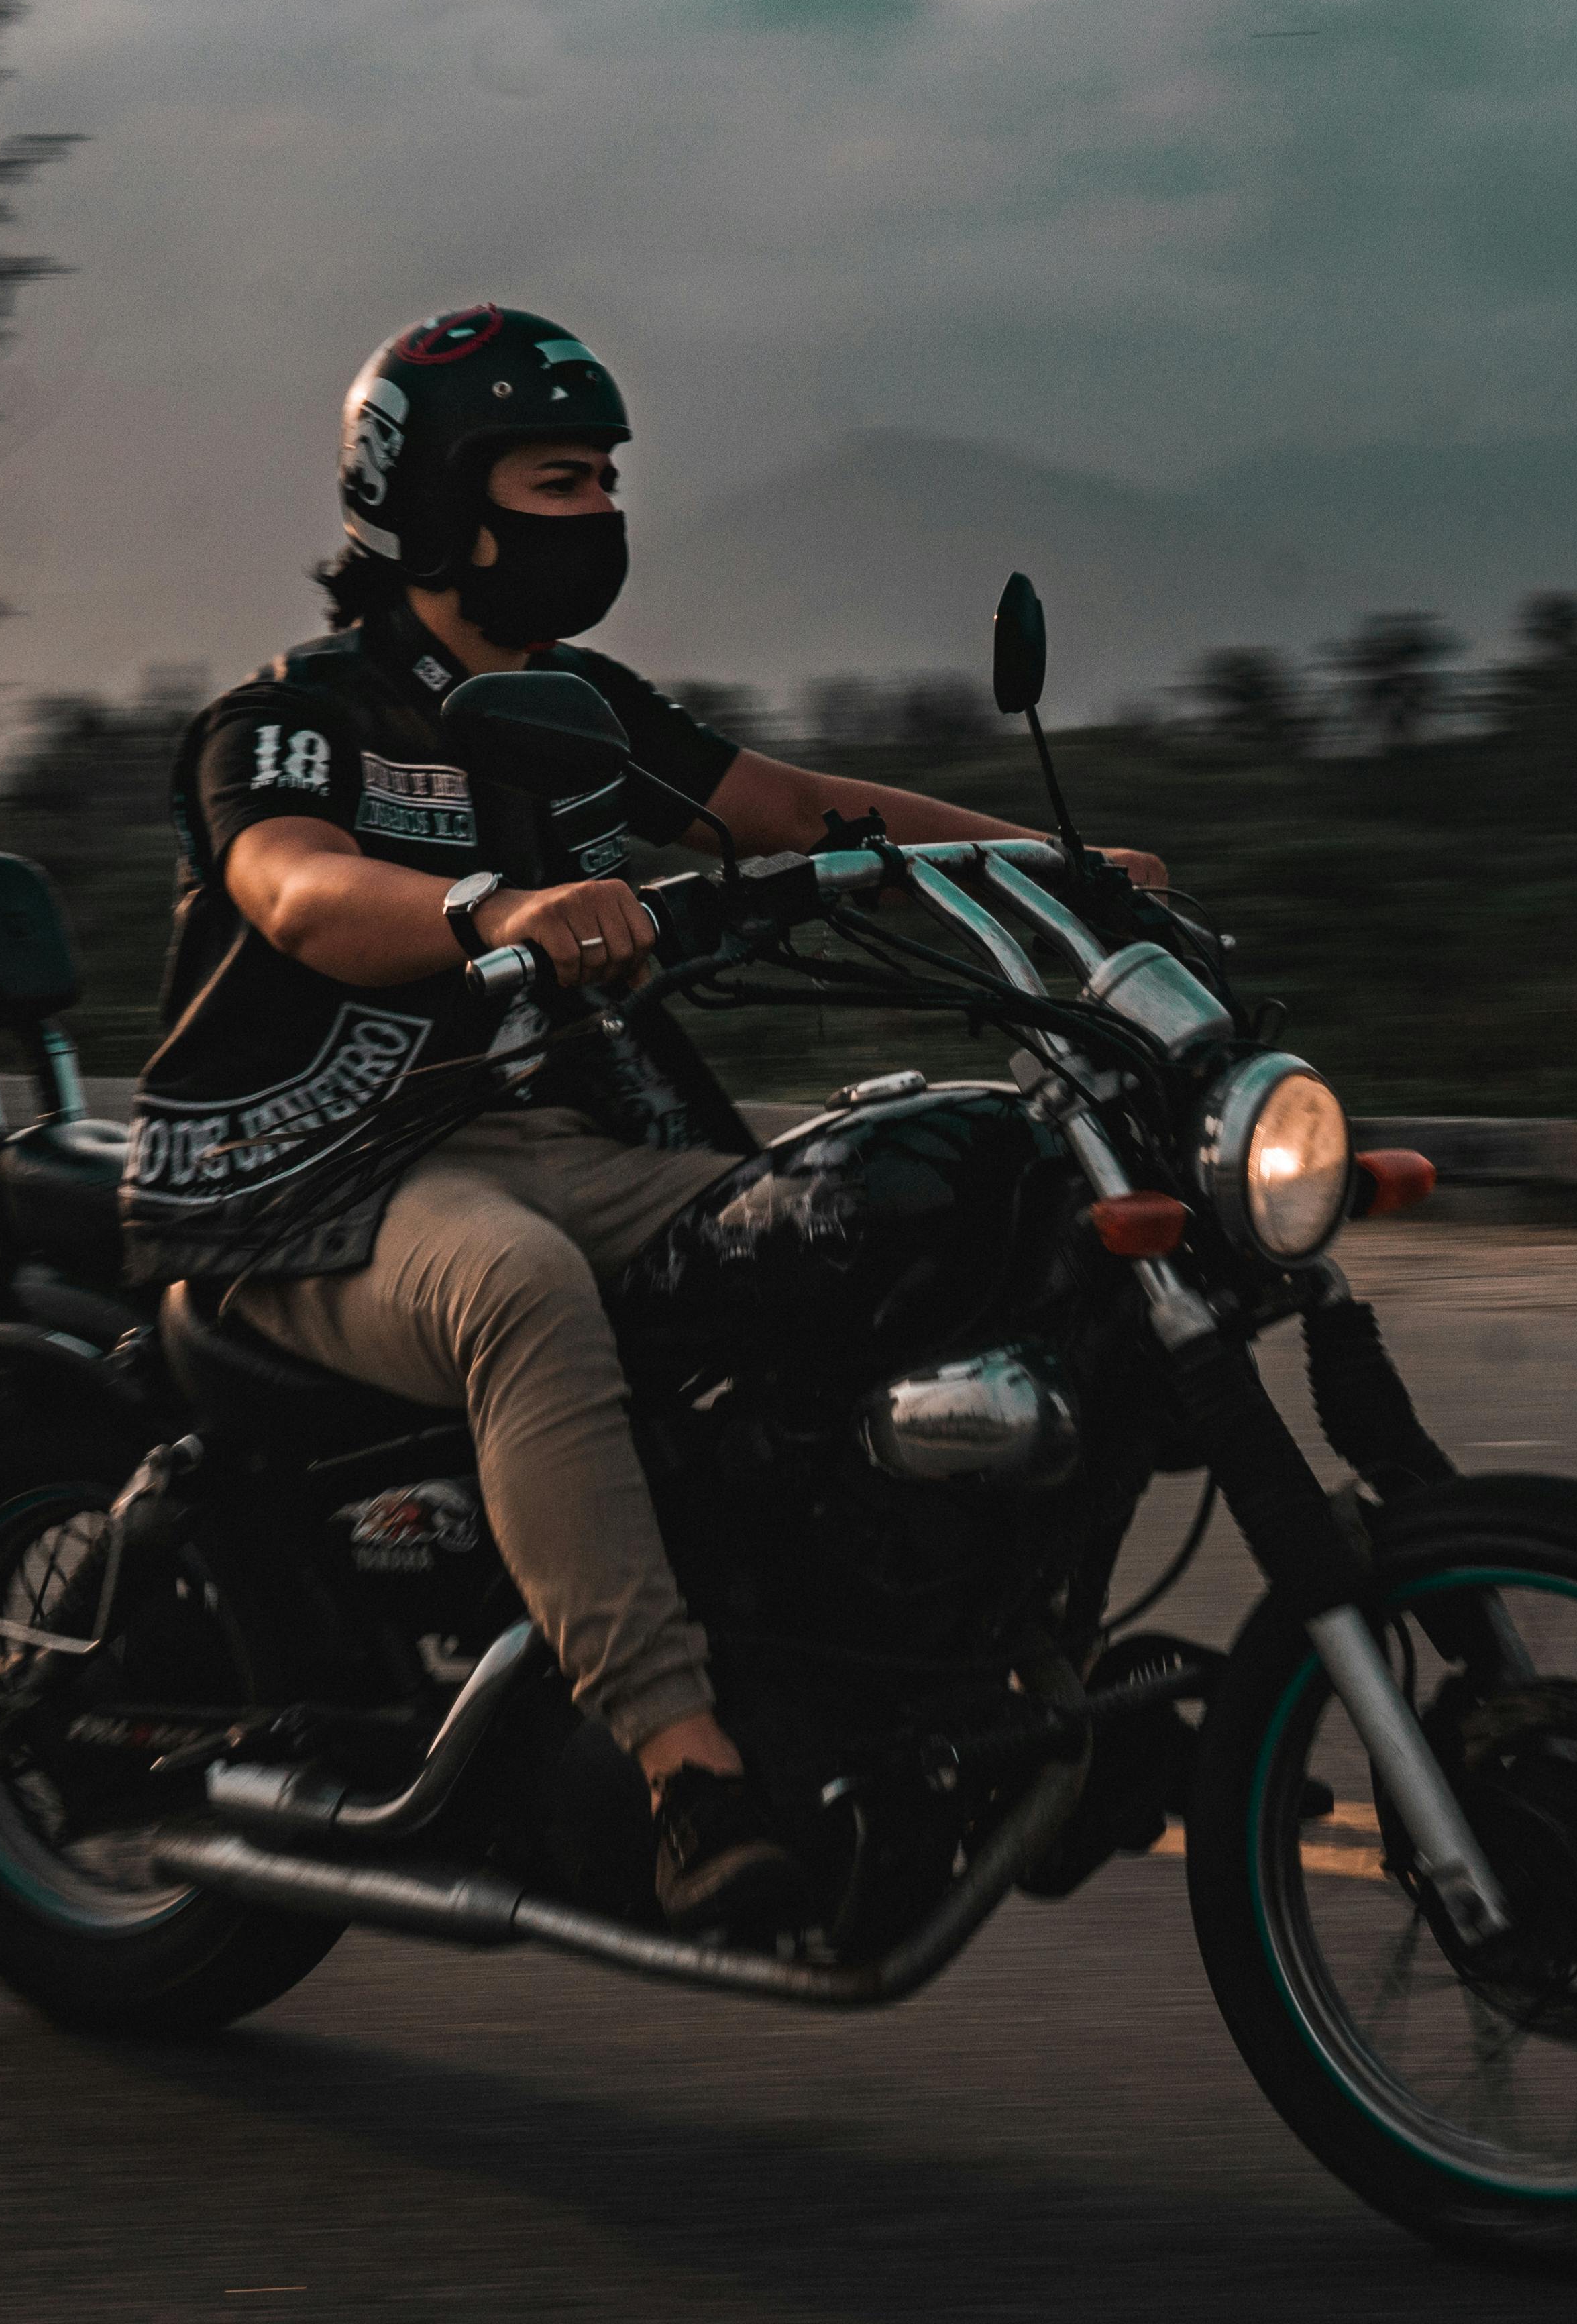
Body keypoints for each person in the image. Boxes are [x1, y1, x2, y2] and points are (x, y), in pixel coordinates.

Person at [121, 303, 1160, 1940]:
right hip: (315, 1177)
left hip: (553, 1139)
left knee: (865, 1235)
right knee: (520, 1289)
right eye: (554, 479)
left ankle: (982, 1679)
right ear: (441, 505)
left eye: (607, 478)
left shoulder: (579, 710)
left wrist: (1055, 873)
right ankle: (688, 1773)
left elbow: (797, 811)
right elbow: (301, 889)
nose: (597, 513)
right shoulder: (299, 714)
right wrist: (497, 908)